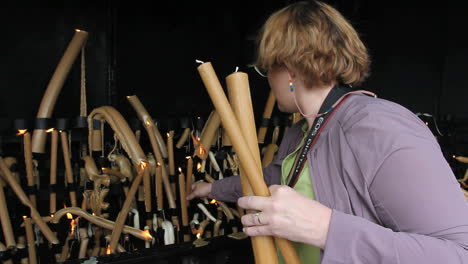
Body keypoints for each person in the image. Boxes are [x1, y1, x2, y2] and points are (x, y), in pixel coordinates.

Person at [187, 1, 468, 263]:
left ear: (290, 68)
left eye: (266, 70)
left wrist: (327, 229)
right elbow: (268, 180)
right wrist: (210, 188)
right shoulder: (299, 134)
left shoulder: (379, 127)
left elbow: (458, 253)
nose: (268, 81)